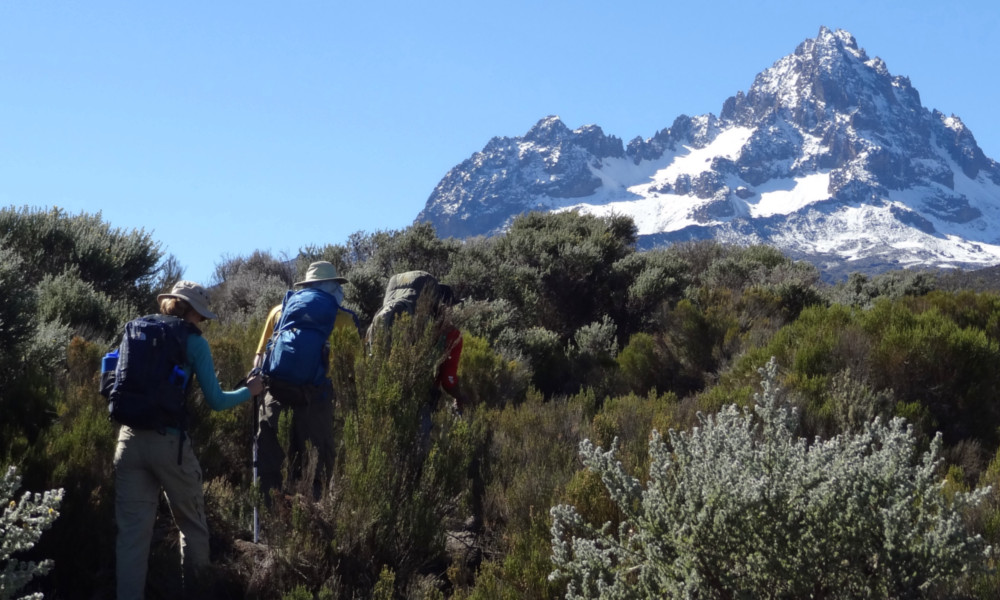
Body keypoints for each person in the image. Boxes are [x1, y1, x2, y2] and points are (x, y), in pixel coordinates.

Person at [113, 280, 263, 600]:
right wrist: (249, 391)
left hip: (128, 441)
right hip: (169, 445)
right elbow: (216, 400)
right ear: (193, 311)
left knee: (132, 538)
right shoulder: (193, 342)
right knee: (192, 528)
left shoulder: (137, 330)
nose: (203, 323)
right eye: (203, 317)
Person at [253, 261, 359, 503]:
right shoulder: (342, 319)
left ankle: (271, 523)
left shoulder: (278, 311)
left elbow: (259, 358)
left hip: (275, 398)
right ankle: (312, 524)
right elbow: (351, 370)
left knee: (272, 464)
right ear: (334, 286)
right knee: (317, 466)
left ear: (306, 286)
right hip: (316, 402)